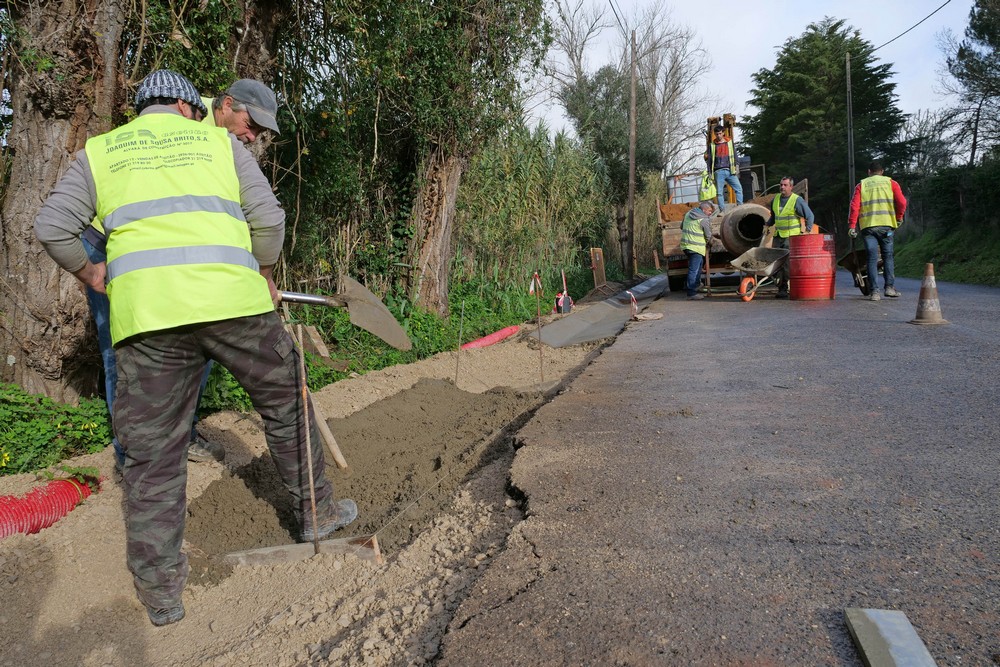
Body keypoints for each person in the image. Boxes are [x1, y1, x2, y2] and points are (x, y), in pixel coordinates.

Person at [35, 69, 357, 627]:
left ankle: (162, 593)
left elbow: (51, 226)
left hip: (149, 322)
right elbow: (270, 219)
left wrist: (92, 273)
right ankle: (316, 514)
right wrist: (261, 271)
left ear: (142, 110)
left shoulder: (101, 152)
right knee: (285, 401)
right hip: (234, 306)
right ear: (193, 106)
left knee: (152, 455)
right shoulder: (219, 144)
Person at [82, 78, 282, 466]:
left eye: (260, 131)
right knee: (123, 346)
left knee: (196, 335)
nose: (253, 135)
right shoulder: (183, 119)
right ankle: (132, 452)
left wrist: (253, 272)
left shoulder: (223, 138)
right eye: (250, 123)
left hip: (164, 240)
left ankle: (182, 435)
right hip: (111, 237)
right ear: (225, 105)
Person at [848, 160, 907, 301]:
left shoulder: (861, 185)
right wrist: (899, 217)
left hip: (868, 228)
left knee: (872, 258)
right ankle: (889, 288)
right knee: (887, 256)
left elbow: (854, 207)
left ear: (869, 172)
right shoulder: (891, 183)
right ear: (882, 171)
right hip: (887, 227)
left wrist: (852, 226)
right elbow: (902, 202)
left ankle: (874, 292)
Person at [763, 176, 815, 299]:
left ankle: (789, 288)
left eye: (785, 185)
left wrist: (807, 231)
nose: (782, 187)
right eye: (781, 185)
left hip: (791, 237)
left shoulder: (797, 200)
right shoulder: (775, 199)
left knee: (787, 265)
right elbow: (775, 217)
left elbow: (810, 216)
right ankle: (782, 288)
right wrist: (767, 225)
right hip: (778, 236)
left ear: (791, 187)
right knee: (777, 265)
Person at [680, 200, 717, 300]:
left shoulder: (688, 214)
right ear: (704, 210)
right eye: (709, 211)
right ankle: (691, 293)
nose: (710, 213)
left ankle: (696, 285)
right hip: (696, 247)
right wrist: (711, 243)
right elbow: (708, 236)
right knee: (694, 270)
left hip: (686, 246)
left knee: (699, 265)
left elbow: (681, 226)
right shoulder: (704, 220)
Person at [706, 125, 743, 212]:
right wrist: (709, 172)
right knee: (719, 193)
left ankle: (740, 207)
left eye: (720, 133)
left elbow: (735, 155)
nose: (718, 135)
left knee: (738, 189)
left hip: (730, 170)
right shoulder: (712, 145)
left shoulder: (729, 143)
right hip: (718, 171)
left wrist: (737, 165)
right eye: (716, 134)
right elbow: (710, 160)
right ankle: (722, 210)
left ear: (723, 133)